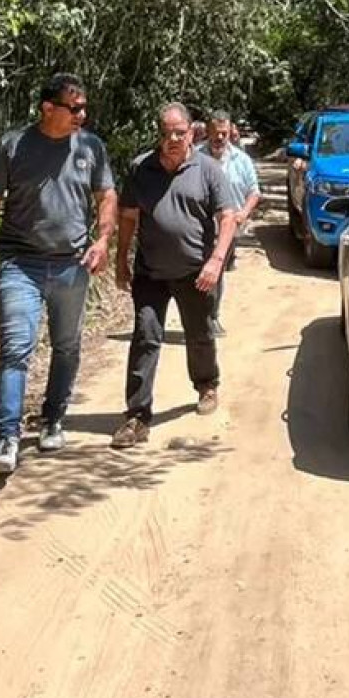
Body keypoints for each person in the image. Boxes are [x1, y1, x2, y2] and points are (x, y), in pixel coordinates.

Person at [0, 73, 115, 474]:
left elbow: (106, 195)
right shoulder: (14, 146)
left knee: (66, 346)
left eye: (84, 107)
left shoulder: (91, 146)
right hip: (20, 263)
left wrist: (103, 240)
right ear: (48, 108)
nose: (83, 114)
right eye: (74, 107)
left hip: (72, 264)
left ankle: (53, 418)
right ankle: (6, 438)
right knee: (15, 348)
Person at [112, 103, 238, 447]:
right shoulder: (141, 168)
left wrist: (215, 260)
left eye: (179, 133)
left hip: (196, 272)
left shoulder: (208, 170)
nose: (172, 139)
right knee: (145, 337)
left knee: (199, 334)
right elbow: (127, 217)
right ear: (158, 133)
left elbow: (228, 217)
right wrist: (121, 258)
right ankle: (137, 416)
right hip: (150, 272)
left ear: (191, 132)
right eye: (166, 133)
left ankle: (207, 384)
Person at [196, 109, 260, 337]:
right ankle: (199, 317)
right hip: (199, 226)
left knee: (217, 269)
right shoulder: (194, 157)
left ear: (231, 131)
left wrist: (243, 213)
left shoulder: (241, 160)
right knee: (199, 270)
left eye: (224, 133)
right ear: (207, 132)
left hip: (228, 226)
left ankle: (211, 316)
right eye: (215, 133)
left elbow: (254, 192)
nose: (220, 138)